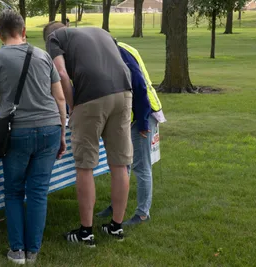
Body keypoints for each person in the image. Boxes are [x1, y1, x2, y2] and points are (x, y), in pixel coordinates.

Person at [0, 10, 67, 264]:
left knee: (13, 192)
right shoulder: (43, 56)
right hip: (50, 128)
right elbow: (60, 98)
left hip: (17, 132)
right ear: (23, 32)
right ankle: (34, 251)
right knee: (38, 192)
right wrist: (62, 132)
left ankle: (17, 250)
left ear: (0, 34)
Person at [43, 22, 133, 245]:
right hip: (124, 91)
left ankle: (85, 232)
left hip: (91, 96)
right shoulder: (100, 31)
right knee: (119, 163)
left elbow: (61, 73)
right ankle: (116, 227)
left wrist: (72, 107)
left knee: (85, 165)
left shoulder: (53, 39)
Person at [96, 41, 166, 225]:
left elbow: (140, 86)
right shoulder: (115, 50)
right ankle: (117, 205)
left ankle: (143, 213)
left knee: (141, 166)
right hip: (127, 116)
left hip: (143, 114)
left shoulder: (120, 54)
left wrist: (143, 122)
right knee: (122, 164)